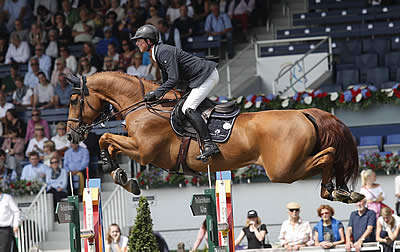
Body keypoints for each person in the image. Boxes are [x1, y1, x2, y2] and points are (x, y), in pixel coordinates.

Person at [133, 24, 220, 160]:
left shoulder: (163, 52)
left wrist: (155, 93)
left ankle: (209, 144)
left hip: (206, 76)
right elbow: (165, 80)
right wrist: (156, 94)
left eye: (139, 40)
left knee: (188, 108)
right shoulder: (158, 53)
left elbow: (173, 79)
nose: (137, 43)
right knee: (182, 104)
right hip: (197, 79)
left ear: (149, 41)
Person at [0, 186, 20, 252]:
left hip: (5, 229)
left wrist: (15, 225)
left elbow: (16, 211)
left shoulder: (7, 198)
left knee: (4, 249)